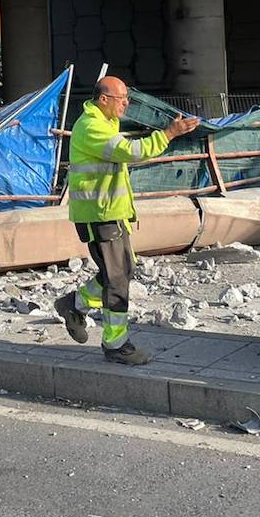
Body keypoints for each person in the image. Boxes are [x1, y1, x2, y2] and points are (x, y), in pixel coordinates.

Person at [55, 76, 199, 365]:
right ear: (103, 99)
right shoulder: (92, 127)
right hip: (99, 214)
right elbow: (132, 152)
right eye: (121, 98)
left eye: (127, 98)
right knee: (117, 278)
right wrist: (169, 133)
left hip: (109, 213)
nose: (126, 103)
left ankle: (75, 304)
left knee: (122, 270)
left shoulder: (106, 123)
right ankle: (115, 344)